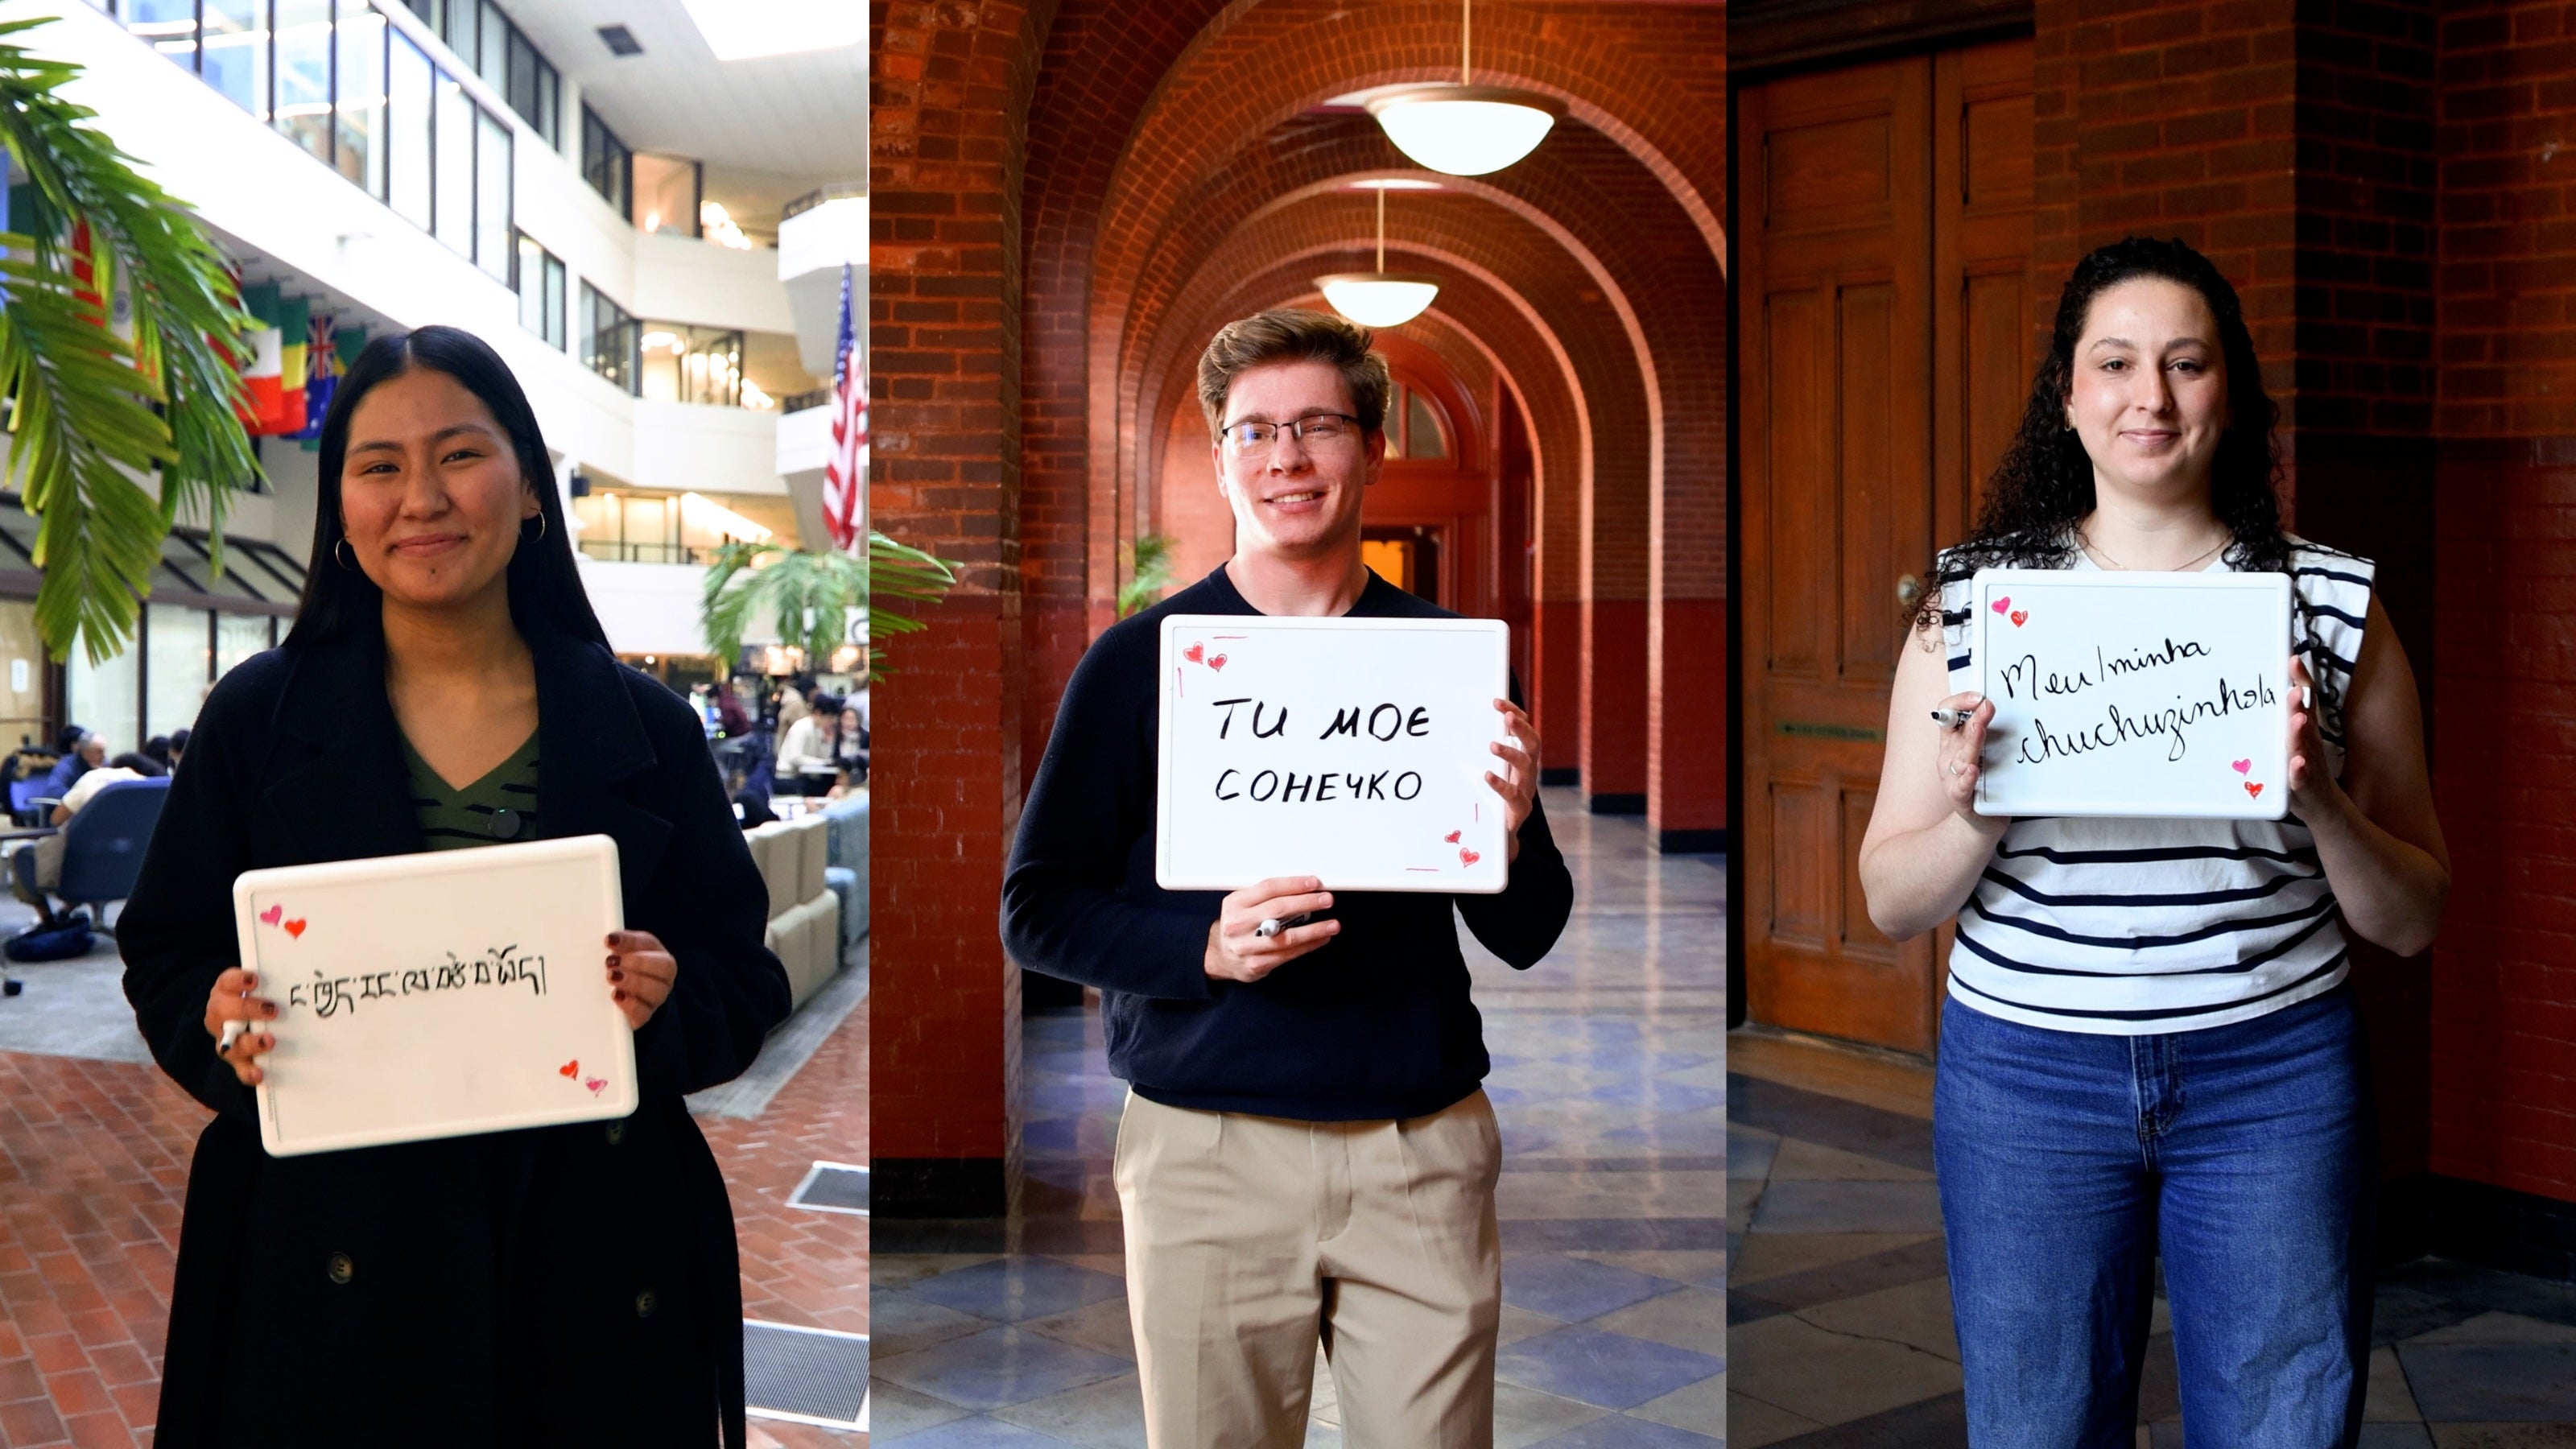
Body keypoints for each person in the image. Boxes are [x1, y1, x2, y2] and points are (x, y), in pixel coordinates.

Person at [116, 324, 792, 1448]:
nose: (419, 497)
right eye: (378, 466)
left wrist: (670, 1003)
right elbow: (168, 951)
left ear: (529, 487)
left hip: (592, 1257)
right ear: (340, 507)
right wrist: (216, 1019)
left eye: (460, 456)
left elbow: (744, 977)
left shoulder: (648, 728)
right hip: (327, 1258)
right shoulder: (258, 720)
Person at [1856, 237, 2450, 1447]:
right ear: (2068, 398)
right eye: (2116, 363)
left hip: (2274, 1073)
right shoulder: (1975, 608)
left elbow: (2415, 914)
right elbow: (1887, 898)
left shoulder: (2331, 602)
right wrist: (1985, 810)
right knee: (2037, 1427)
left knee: (2285, 1424)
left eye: (2187, 364)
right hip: (2027, 1072)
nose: (2153, 397)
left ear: (2229, 391)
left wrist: (2320, 802)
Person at [1001, 308, 1574, 1447]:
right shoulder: (1137, 665)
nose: (1286, 457)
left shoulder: (1447, 661)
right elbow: (1037, 907)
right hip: (1205, 1144)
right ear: (1220, 459)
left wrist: (1505, 835)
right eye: (1254, 431)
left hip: (1419, 1145)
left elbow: (1527, 929)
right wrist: (1201, 950)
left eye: (1317, 426)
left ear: (1369, 446)